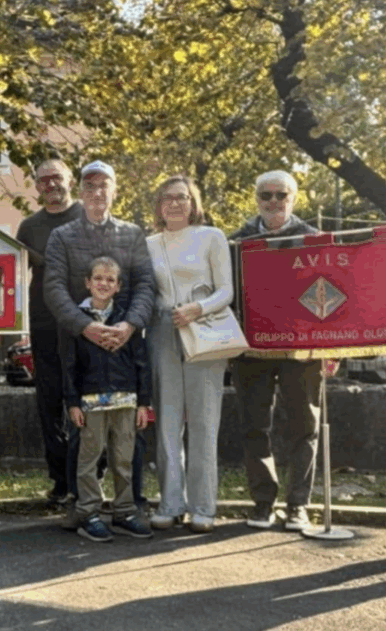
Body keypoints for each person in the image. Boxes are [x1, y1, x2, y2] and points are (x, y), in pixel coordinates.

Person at [44, 160, 155, 534]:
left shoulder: (132, 234)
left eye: (103, 185)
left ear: (114, 190)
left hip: (124, 343)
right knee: (83, 436)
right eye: (89, 186)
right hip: (80, 342)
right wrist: (85, 326)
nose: (96, 192)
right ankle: (82, 507)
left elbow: (145, 284)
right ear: (80, 192)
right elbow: (53, 286)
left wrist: (131, 324)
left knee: (129, 439)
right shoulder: (62, 236)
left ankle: (129, 507)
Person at [228, 170, 323, 533]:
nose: (273, 201)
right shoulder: (236, 242)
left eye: (280, 195)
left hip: (301, 348)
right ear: (256, 199)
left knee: (304, 426)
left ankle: (298, 505)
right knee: (254, 426)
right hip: (251, 348)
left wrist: (330, 345)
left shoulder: (315, 239)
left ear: (293, 198)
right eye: (265, 195)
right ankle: (263, 502)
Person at [146, 174, 231, 533]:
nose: (175, 203)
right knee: (167, 422)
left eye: (182, 197)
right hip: (162, 331)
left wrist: (198, 308)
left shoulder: (212, 237)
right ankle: (170, 503)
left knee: (204, 422)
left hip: (204, 329)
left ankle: (203, 506)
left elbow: (226, 290)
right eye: (168, 197)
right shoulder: (149, 243)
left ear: (193, 203)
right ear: (159, 205)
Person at [64, 257, 152, 542]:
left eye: (110, 280)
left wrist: (143, 403)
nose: (104, 283)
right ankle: (88, 512)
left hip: (126, 401)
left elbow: (142, 363)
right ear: (88, 283)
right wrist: (72, 402)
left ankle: (124, 510)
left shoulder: (127, 322)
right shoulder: (77, 321)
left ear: (118, 287)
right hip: (90, 402)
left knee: (123, 459)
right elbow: (68, 365)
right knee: (89, 458)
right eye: (98, 278)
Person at [16, 159, 84, 504]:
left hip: (85, 322)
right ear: (37, 187)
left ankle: (87, 477)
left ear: (70, 180)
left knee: (86, 398)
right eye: (44, 180)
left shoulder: (87, 216)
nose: (51, 184)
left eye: (57, 177)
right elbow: (15, 273)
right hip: (43, 323)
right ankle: (60, 480)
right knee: (49, 401)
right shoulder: (29, 226)